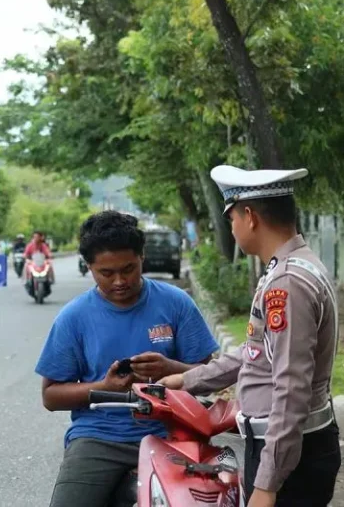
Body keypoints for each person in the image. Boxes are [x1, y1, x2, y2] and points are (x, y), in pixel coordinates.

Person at [160, 165, 341, 507]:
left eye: (232, 219)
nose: (232, 228)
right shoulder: (291, 267)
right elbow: (256, 352)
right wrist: (188, 381)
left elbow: (291, 388)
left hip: (291, 460)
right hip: (290, 449)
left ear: (250, 216)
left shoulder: (287, 283)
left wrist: (268, 484)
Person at [35, 210, 221, 507]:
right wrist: (105, 387)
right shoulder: (73, 317)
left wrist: (171, 369)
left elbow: (211, 376)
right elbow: (51, 396)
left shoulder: (176, 304)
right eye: (106, 273)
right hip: (98, 437)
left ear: (142, 256)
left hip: (171, 433)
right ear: (89, 267)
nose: (120, 281)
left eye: (128, 269)